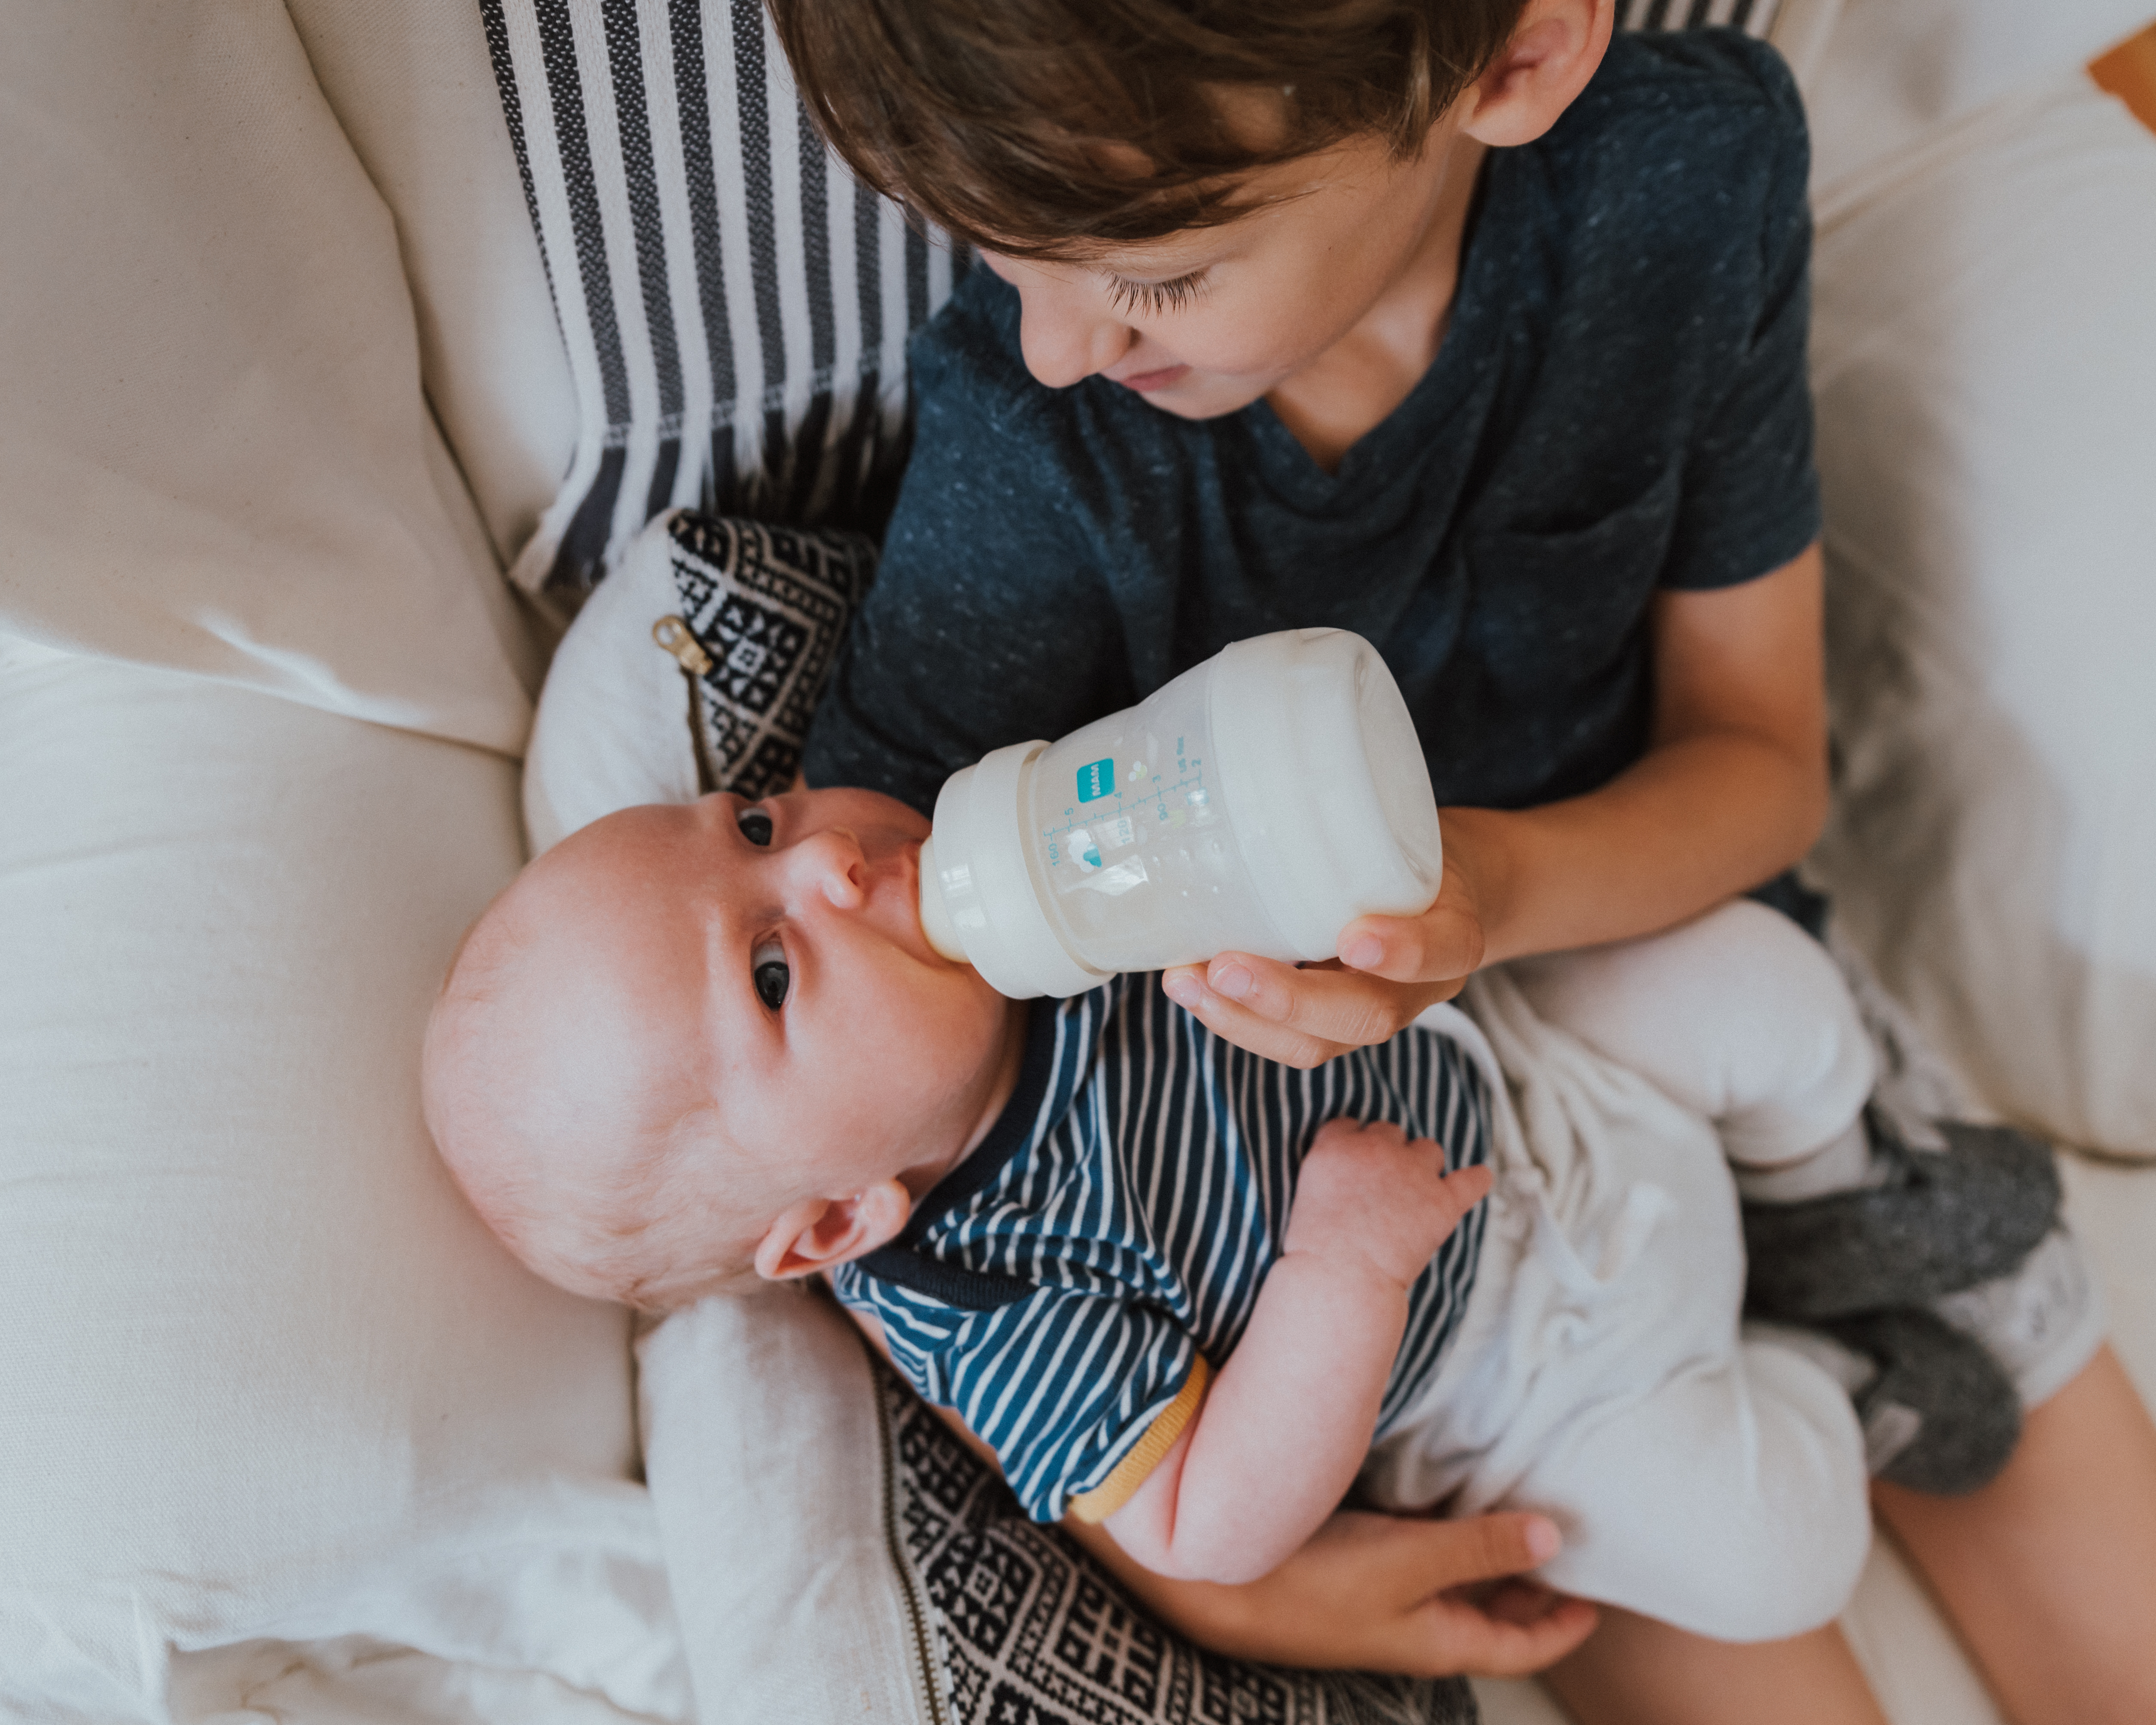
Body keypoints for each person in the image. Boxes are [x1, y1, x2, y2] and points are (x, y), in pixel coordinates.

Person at [750, 0, 2156, 1719]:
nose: (1046, 342)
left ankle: (1835, 1327)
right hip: (1453, 1254)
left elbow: (1762, 764)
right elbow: (849, 1130)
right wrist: (1203, 1558)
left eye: (1154, 276)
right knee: (1753, 1594)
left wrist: (1486, 893)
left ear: (1514, 58)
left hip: (1670, 947)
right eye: (994, 256)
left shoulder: (1678, 182)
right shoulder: (1037, 451)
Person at [421, 785, 1894, 1648]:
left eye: (754, 821)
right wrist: (1343, 1267)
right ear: (829, 1229)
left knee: (1758, 977)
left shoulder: (1040, 878)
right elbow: (1207, 1525)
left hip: (1537, 1078)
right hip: (1533, 1381)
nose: (822, 860)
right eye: (770, 972)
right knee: (1774, 1559)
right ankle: (1847, 1376)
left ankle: (1849, 1208)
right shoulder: (981, 1298)